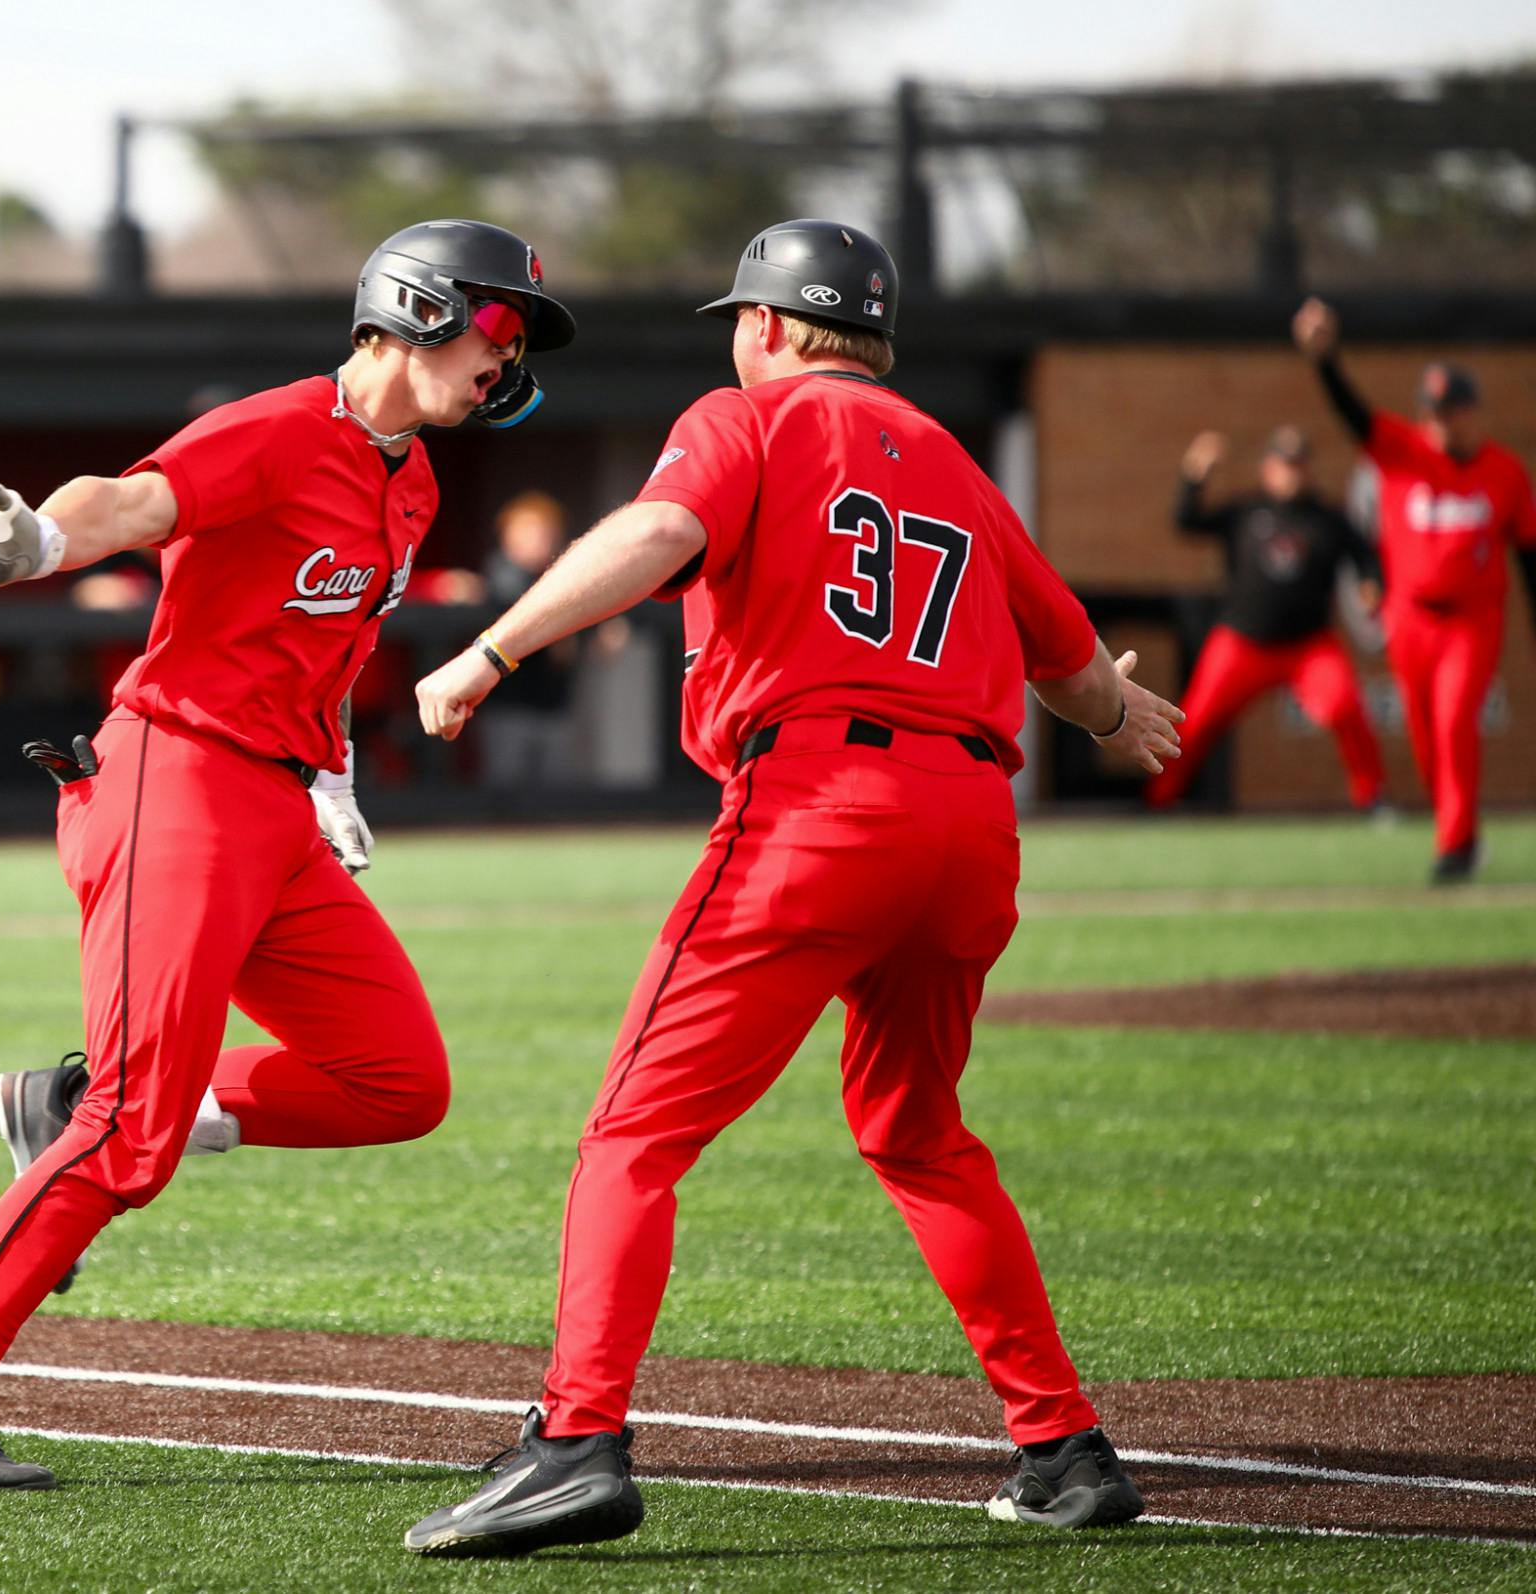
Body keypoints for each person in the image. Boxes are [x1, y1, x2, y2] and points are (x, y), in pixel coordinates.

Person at [407, 219, 1177, 1557]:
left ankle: (576, 1437)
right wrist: (1120, 715)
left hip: (821, 810)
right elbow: (1065, 662)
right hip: (969, 831)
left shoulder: (745, 420)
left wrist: (492, 648)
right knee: (919, 1131)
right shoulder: (952, 458)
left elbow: (655, 531)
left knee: (630, 1137)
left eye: (737, 325)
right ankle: (1062, 1447)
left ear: (767, 327)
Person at [0, 219, 574, 1490]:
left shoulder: (414, 479)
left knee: (396, 1079)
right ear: (413, 310)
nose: (504, 365)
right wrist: (42, 545)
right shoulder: (280, 427)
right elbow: (129, 502)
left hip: (273, 808)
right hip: (172, 778)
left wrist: (330, 774)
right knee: (133, 1132)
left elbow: (328, 641)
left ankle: (72, 1102)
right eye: (498, 330)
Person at [1294, 300, 1536, 882]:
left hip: (1472, 618)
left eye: (1451, 410)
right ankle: (1462, 833)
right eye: (1433, 410)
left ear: (1472, 411)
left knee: (1454, 720)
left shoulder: (1503, 472)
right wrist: (1325, 359)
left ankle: (1453, 847)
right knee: (1428, 741)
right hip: (1410, 616)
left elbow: (1530, 556)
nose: (1441, 421)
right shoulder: (1404, 450)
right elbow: (1354, 416)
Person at [1144, 424, 1385, 811]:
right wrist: (1194, 473)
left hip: (1308, 645)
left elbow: (1366, 555)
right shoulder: (1245, 511)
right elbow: (1186, 522)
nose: (1290, 471)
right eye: (1283, 463)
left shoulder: (1327, 518)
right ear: (1267, 468)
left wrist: (1371, 584)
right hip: (1243, 642)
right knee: (1195, 720)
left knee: (1344, 705)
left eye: (1298, 463)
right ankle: (1159, 800)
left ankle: (1372, 798)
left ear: (1308, 468)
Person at [477, 490, 579, 787]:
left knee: (555, 795)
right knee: (505, 794)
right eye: (531, 532)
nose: (540, 540)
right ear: (508, 536)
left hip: (554, 705)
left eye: (546, 532)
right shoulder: (499, 577)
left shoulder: (563, 576)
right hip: (508, 706)